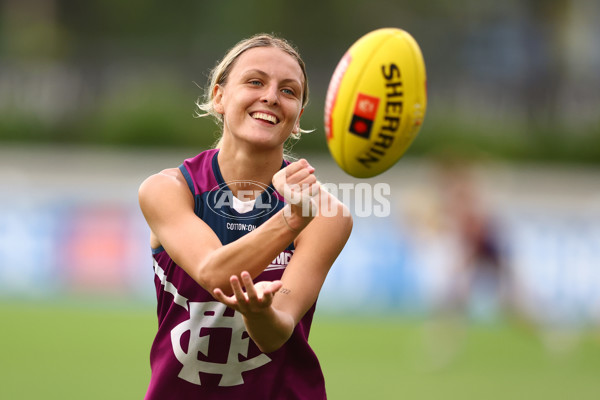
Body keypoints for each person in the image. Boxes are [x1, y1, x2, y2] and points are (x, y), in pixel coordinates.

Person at [138, 33, 353, 399]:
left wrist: (258, 312)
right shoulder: (168, 190)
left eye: (288, 91)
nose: (270, 96)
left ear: (298, 118)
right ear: (219, 96)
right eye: (255, 82)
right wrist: (292, 219)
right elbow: (214, 273)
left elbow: (276, 332)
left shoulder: (328, 214)